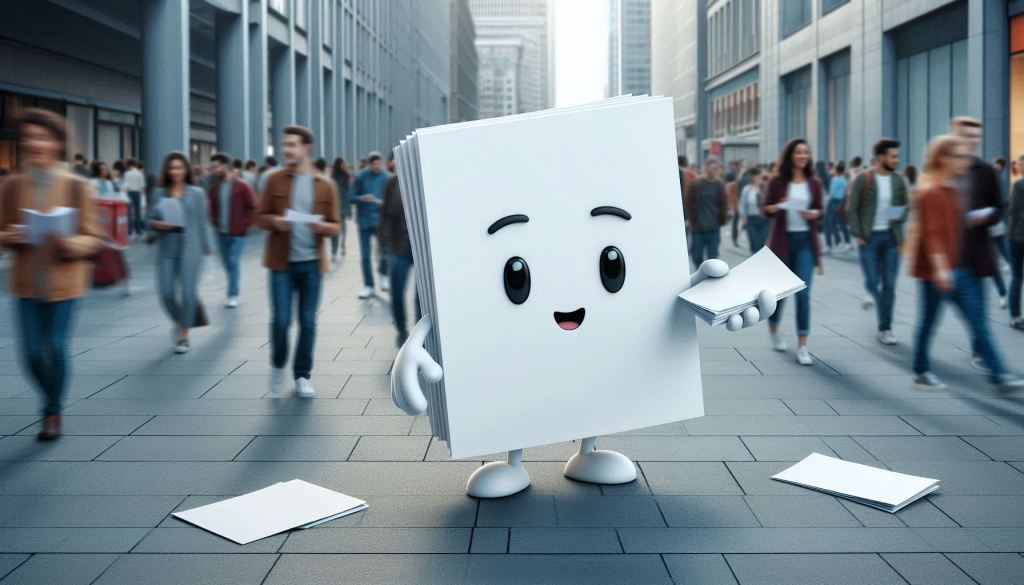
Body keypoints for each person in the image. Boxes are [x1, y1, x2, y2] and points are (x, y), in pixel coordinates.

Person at [0, 109, 103, 440]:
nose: (34, 143)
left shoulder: (76, 185)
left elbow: (93, 237)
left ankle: (52, 411)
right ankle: (51, 399)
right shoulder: (12, 185)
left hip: (65, 283)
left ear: (58, 142)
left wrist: (68, 242)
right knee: (31, 354)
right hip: (27, 284)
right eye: (28, 137)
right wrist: (11, 236)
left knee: (55, 347)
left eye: (42, 137)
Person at [907, 135, 1023, 391]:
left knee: (978, 322)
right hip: (936, 273)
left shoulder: (952, 191)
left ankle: (998, 374)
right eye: (958, 157)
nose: (965, 161)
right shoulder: (931, 192)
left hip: (958, 268)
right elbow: (933, 234)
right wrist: (941, 269)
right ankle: (921, 371)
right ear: (943, 159)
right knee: (928, 322)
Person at [256, 125, 340, 397]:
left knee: (308, 322)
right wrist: (275, 221)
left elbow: (335, 225)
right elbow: (259, 217)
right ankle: (278, 363)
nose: (287, 150)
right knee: (281, 321)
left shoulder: (325, 185)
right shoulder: (274, 180)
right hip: (281, 264)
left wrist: (323, 227)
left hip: (312, 264)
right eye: (285, 145)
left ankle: (302, 375)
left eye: (292, 145)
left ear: (306, 148)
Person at [949, 117, 1011, 373]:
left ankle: (983, 356)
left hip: (975, 254)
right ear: (955, 136)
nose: (973, 141)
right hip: (945, 255)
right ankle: (921, 365)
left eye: (976, 137)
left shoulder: (986, 171)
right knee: (930, 319)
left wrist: (987, 217)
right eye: (968, 136)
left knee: (978, 313)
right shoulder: (943, 169)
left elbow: (1000, 207)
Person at [763, 138, 824, 366]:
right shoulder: (777, 181)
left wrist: (814, 214)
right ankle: (774, 329)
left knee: (803, 294)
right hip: (783, 242)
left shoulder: (813, 183)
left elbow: (820, 210)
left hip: (805, 242)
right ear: (790, 155)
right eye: (798, 152)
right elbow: (766, 209)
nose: (802, 156)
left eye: (805, 152)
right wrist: (780, 205)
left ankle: (803, 346)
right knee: (780, 293)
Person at [148, 151, 213, 354]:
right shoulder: (159, 193)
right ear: (167, 170)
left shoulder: (197, 193)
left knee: (188, 293)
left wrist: (208, 247)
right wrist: (157, 224)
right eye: (172, 168)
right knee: (166, 293)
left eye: (179, 167)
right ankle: (179, 320)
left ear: (186, 169)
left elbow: (202, 222)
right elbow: (149, 220)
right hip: (166, 248)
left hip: (190, 248)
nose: (176, 171)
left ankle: (184, 334)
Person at [847, 138, 910, 345]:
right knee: (873, 282)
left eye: (897, 156)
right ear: (880, 157)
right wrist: (858, 233)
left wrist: (897, 215)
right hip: (869, 239)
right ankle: (874, 296)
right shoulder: (863, 179)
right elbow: (852, 209)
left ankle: (885, 328)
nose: (896, 160)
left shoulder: (899, 181)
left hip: (892, 238)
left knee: (889, 285)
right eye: (893, 156)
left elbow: (906, 207)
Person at [207, 152, 257, 308]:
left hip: (238, 233)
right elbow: (212, 207)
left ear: (225, 166)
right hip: (221, 232)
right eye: (212, 167)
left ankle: (233, 294)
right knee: (227, 264)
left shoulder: (242, 186)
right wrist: (214, 221)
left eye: (216, 167)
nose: (214, 170)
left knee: (233, 261)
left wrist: (245, 224)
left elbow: (253, 206)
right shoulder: (215, 188)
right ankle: (233, 287)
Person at [379, 166, 420, 346]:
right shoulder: (393, 183)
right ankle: (402, 330)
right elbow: (385, 215)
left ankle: (420, 335)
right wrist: (385, 243)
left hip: (423, 249)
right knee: (397, 291)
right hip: (399, 247)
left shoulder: (429, 178)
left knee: (422, 297)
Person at [349, 151, 391, 299]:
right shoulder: (361, 176)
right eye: (373, 164)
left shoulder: (387, 177)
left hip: (381, 221)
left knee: (385, 251)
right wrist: (362, 198)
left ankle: (384, 274)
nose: (376, 166)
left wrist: (385, 203)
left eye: (378, 164)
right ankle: (368, 285)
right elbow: (350, 197)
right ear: (369, 164)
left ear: (382, 163)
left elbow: (394, 199)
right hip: (364, 221)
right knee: (365, 256)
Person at [683, 157, 728, 267]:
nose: (714, 171)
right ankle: (701, 272)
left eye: (716, 169)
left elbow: (723, 203)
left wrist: (723, 218)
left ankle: (709, 275)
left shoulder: (719, 184)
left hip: (714, 227)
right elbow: (687, 202)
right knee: (697, 257)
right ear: (706, 168)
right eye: (712, 168)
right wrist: (690, 219)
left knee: (713, 257)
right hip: (698, 228)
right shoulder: (696, 184)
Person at [989, 157, 1011, 308]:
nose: (993, 165)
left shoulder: (998, 179)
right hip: (993, 223)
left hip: (993, 224)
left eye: (995, 164)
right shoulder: (998, 178)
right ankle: (1002, 293)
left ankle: (1002, 293)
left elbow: (1003, 202)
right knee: (1001, 248)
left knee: (997, 252)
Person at [1009, 153, 1024, 330]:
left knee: (1017, 277)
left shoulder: (1018, 185)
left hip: (1016, 238)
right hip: (1017, 238)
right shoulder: (1018, 184)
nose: (1018, 167)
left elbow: (1013, 211)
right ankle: (1015, 315)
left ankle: (1015, 315)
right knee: (1017, 277)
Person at [824, 161, 851, 253]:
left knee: (828, 223)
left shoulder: (834, 179)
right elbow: (846, 192)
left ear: (836, 170)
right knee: (842, 223)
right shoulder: (844, 180)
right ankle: (847, 243)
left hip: (833, 202)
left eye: (834, 169)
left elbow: (831, 193)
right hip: (842, 202)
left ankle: (829, 246)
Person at [740, 166, 768, 253]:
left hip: (764, 219)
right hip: (751, 219)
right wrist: (743, 217)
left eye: (759, 176)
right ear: (752, 177)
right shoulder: (746, 189)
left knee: (761, 243)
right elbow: (743, 204)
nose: (757, 178)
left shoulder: (765, 187)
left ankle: (759, 258)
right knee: (754, 243)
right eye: (755, 176)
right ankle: (754, 257)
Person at [330, 156, 352, 261]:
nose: (345, 165)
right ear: (339, 164)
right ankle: (335, 250)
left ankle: (341, 246)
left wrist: (349, 209)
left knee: (341, 228)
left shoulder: (346, 176)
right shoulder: (333, 177)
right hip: (336, 206)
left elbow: (348, 192)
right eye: (343, 163)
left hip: (341, 206)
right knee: (336, 229)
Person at [123, 158, 147, 238]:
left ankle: (129, 232)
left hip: (129, 193)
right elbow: (142, 187)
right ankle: (138, 231)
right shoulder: (139, 173)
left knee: (129, 213)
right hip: (137, 193)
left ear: (128, 165)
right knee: (137, 213)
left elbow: (126, 186)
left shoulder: (127, 173)